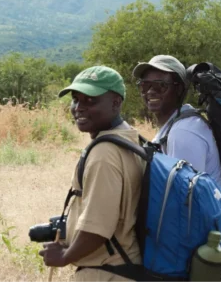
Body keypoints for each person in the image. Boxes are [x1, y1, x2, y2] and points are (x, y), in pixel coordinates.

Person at [132, 55, 221, 281]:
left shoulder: (184, 132)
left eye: (160, 85)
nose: (150, 91)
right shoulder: (173, 126)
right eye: (145, 84)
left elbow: (185, 201)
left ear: (179, 89)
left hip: (208, 237)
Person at [39, 66, 144, 282]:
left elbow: (98, 228)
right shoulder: (134, 140)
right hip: (127, 268)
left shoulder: (104, 153)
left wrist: (64, 256)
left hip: (105, 272)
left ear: (116, 102)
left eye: (90, 100)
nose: (79, 107)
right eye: (76, 99)